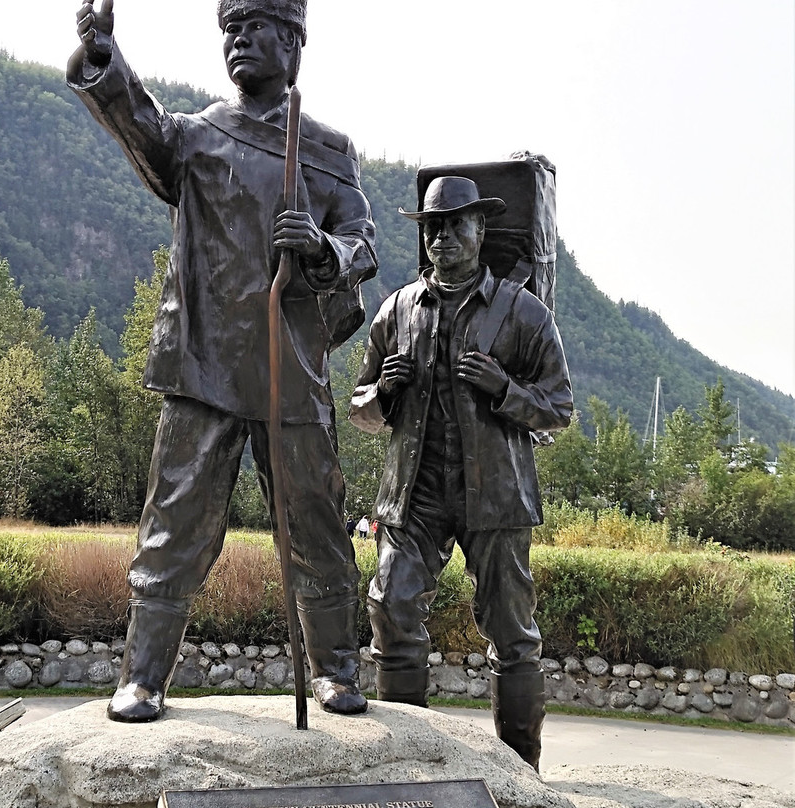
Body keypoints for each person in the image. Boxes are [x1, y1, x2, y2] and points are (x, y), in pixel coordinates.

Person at [67, 0, 377, 723]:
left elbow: (362, 244)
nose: (238, 41)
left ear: (292, 42)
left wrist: (322, 248)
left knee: (316, 523)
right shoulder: (198, 137)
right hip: (203, 362)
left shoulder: (327, 151)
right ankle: (143, 675)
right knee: (175, 521)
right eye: (229, 31)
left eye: (254, 28)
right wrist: (106, 56)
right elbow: (140, 125)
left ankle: (335, 668)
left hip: (288, 368)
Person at [348, 176, 572, 769]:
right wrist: (382, 393)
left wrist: (505, 389)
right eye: (432, 226)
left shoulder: (522, 311)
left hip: (495, 494)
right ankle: (406, 766)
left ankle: (521, 774)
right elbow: (359, 407)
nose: (442, 236)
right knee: (391, 607)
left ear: (480, 229)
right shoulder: (397, 309)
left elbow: (558, 407)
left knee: (511, 628)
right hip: (414, 494)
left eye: (454, 224)